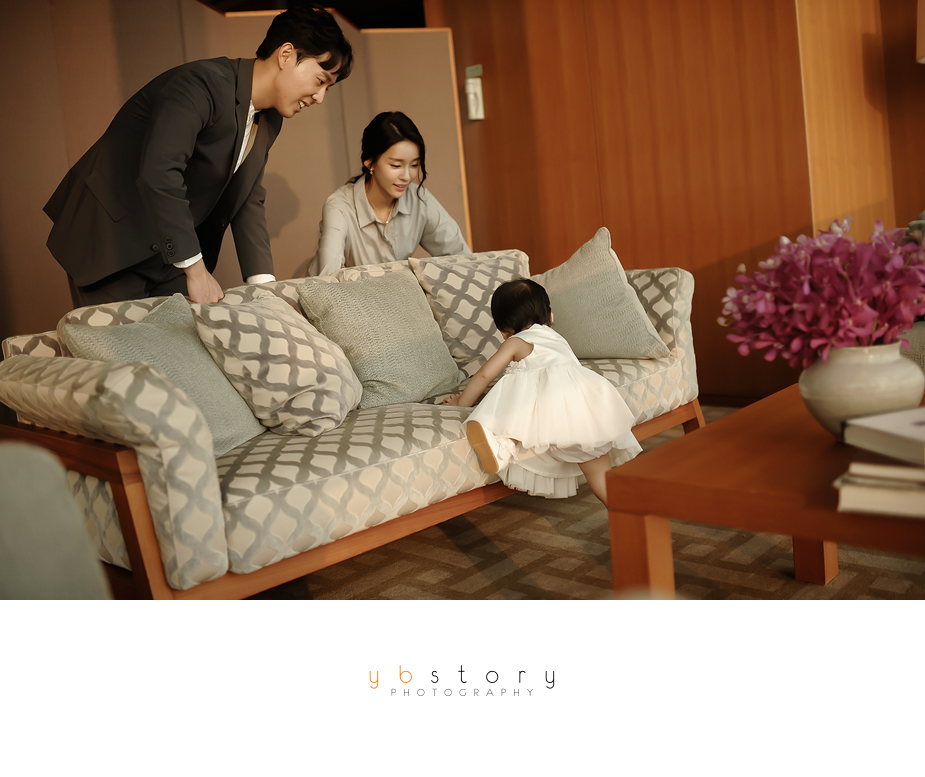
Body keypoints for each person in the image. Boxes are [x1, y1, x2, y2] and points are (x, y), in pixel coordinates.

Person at [45, 3, 353, 307]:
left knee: (183, 338)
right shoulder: (202, 84)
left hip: (168, 252)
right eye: (320, 81)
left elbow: (247, 198)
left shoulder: (271, 119)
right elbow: (160, 172)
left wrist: (266, 288)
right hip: (110, 235)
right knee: (122, 340)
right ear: (286, 55)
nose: (319, 98)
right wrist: (195, 269)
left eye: (327, 88)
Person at [442, 279, 642, 504]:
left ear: (504, 329)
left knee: (512, 388)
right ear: (550, 316)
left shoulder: (515, 342)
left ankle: (504, 446)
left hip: (552, 417)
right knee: (600, 475)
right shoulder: (557, 338)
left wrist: (462, 403)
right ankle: (628, 511)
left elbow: (484, 376)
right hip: (591, 416)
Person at [309, 111, 469, 276]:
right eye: (396, 166)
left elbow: (461, 257)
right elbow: (328, 275)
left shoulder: (419, 199)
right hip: (342, 292)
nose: (406, 176)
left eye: (414, 165)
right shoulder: (339, 207)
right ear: (370, 162)